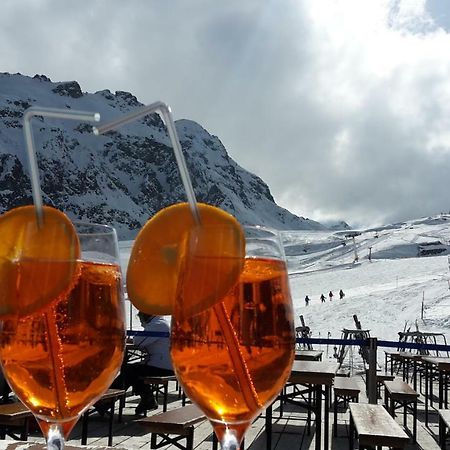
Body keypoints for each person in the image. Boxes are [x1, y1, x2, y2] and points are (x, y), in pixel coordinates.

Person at [113, 312, 174, 416]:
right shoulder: (160, 323)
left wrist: (136, 336)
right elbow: (143, 339)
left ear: (145, 316)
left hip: (162, 366)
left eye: (141, 321)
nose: (141, 324)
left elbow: (139, 342)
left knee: (130, 370)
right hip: (164, 364)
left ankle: (109, 399)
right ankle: (146, 398)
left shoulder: (157, 325)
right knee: (133, 370)